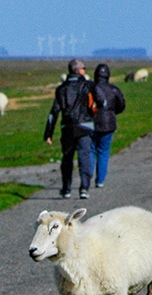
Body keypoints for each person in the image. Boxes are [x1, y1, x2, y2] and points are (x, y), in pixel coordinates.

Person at [44, 59, 95, 199]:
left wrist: (48, 133)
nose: (85, 70)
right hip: (85, 126)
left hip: (67, 127)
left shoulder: (61, 89)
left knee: (67, 158)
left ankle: (66, 189)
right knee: (84, 157)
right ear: (79, 70)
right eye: (84, 68)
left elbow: (54, 112)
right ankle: (84, 188)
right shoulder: (87, 85)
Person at [89, 63, 126, 189]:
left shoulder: (90, 88)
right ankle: (100, 180)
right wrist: (111, 111)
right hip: (108, 123)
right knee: (103, 152)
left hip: (91, 122)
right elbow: (121, 105)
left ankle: (87, 178)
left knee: (90, 150)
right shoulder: (114, 89)